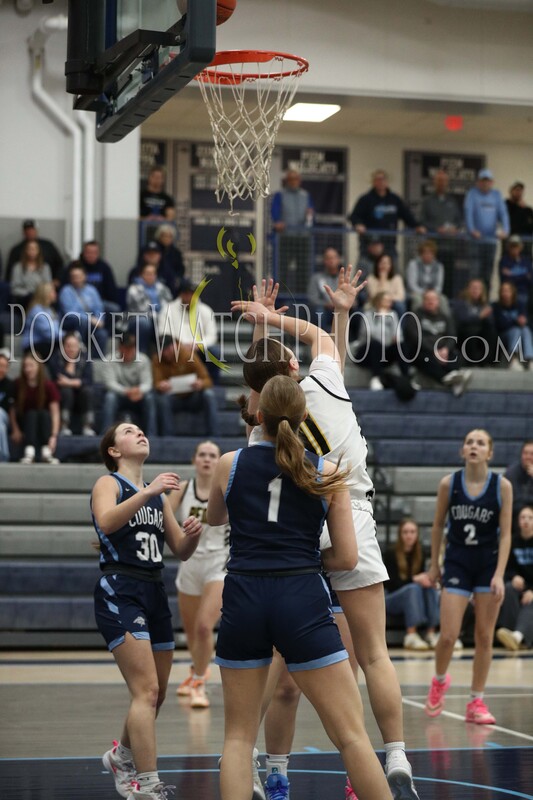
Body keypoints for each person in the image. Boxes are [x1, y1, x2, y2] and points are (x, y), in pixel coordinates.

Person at [231, 275, 420, 800]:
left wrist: (260, 330)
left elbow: (261, 381)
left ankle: (262, 762)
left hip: (297, 529)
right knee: (373, 653)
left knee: (279, 665)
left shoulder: (260, 428)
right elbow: (320, 339)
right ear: (295, 366)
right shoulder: (325, 383)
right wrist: (275, 318)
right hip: (350, 512)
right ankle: (396, 754)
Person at [207, 374, 393, 800]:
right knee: (351, 736)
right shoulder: (328, 471)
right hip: (301, 595)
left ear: (259, 416)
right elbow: (346, 558)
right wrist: (301, 558)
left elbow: (215, 519)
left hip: (244, 595)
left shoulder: (229, 463)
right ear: (304, 416)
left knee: (238, 739)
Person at [93, 422, 202, 800]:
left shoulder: (156, 496)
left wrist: (193, 534)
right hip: (121, 587)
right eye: (129, 431)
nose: (139, 433)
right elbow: (107, 522)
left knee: (157, 693)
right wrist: (150, 491)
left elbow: (180, 550)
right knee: (146, 690)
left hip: (155, 590)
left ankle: (121, 756)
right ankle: (149, 783)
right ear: (114, 450)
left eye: (141, 430)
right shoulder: (109, 483)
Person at [424, 429, 512, 724]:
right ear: (463, 450)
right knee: (449, 635)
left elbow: (506, 535)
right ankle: (439, 680)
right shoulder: (449, 484)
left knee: (484, 636)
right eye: (469, 442)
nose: (474, 446)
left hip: (488, 565)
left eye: (481, 443)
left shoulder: (502, 486)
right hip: (457, 562)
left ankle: (476, 701)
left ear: (490, 452)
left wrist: (499, 574)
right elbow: (438, 526)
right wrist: (434, 565)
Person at [169, 441, 229, 709]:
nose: (207, 459)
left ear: (219, 461)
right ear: (194, 460)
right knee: (193, 631)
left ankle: (199, 683)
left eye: (212, 455)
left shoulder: (226, 487)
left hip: (219, 562)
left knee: (205, 626)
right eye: (202, 454)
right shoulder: (183, 489)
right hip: (190, 562)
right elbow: (162, 516)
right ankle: (196, 672)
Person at [383, 518, 440, 651]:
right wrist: (415, 579)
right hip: (391, 598)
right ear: (400, 534)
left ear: (417, 534)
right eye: (405, 532)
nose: (409, 535)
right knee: (413, 588)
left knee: (429, 588)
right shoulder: (391, 553)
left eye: (412, 532)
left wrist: (428, 581)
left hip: (413, 594)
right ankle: (411, 634)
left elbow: (421, 581)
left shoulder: (420, 553)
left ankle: (431, 633)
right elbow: (390, 585)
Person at [403, 289, 472, 395]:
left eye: (433, 299)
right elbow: (415, 337)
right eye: (428, 299)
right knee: (424, 359)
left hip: (443, 351)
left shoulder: (445, 317)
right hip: (423, 351)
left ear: (438, 301)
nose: (431, 302)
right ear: (423, 301)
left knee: (457, 356)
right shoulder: (414, 316)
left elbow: (452, 336)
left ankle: (453, 378)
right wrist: (433, 351)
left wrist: (446, 349)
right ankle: (450, 381)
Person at [347, 169, 425, 258]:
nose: (380, 182)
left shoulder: (394, 199)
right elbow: (354, 216)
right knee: (365, 265)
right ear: (373, 182)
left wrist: (417, 226)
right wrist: (358, 224)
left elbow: (406, 215)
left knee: (393, 265)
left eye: (382, 179)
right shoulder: (365, 199)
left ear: (387, 182)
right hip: (369, 244)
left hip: (389, 244)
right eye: (377, 179)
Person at [152, 336, 219, 437]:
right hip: (173, 398)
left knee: (208, 395)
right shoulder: (157, 359)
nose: (166, 353)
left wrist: (200, 383)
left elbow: (208, 380)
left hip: (192, 397)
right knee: (162, 400)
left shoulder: (188, 355)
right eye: (163, 350)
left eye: (168, 349)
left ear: (175, 345)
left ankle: (214, 435)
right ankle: (168, 436)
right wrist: (161, 386)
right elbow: (156, 383)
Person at [158, 279, 220, 384]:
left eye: (192, 294)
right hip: (175, 350)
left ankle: (212, 385)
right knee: (162, 352)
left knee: (215, 352)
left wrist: (198, 345)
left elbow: (212, 336)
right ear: (181, 294)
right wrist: (180, 345)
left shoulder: (206, 310)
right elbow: (163, 333)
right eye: (186, 293)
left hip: (199, 350)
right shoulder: (167, 309)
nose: (189, 297)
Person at [100, 334, 157, 437]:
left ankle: (151, 436)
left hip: (138, 396)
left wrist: (139, 390)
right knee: (110, 397)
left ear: (135, 348)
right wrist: (126, 391)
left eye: (131, 348)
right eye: (126, 349)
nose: (128, 352)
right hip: (119, 395)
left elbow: (148, 383)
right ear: (120, 348)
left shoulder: (143, 359)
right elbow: (109, 383)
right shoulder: (109, 359)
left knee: (149, 398)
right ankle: (106, 435)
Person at [10, 351, 60, 464]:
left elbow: (55, 413)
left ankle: (46, 451)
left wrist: (54, 436)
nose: (28, 369)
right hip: (25, 422)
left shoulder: (48, 385)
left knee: (43, 413)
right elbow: (12, 410)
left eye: (31, 366)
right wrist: (15, 429)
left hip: (44, 422)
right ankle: (29, 451)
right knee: (32, 413)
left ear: (39, 367)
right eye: (25, 366)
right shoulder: (18, 384)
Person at [354, 291, 411, 392]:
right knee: (376, 344)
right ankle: (376, 378)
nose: (389, 303)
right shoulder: (368, 314)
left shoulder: (393, 314)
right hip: (366, 353)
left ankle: (407, 378)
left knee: (401, 345)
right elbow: (370, 333)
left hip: (384, 353)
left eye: (390, 301)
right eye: (385, 300)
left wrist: (394, 338)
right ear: (378, 301)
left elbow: (398, 335)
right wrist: (382, 318)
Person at [464, 169, 510, 291]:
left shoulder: (496, 195)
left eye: (488, 181)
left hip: (491, 242)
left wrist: (505, 230)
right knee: (474, 273)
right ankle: (473, 300)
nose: (485, 183)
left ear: (492, 182)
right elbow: (468, 213)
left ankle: (485, 299)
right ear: (478, 182)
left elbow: (503, 214)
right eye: (483, 180)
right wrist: (472, 230)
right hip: (475, 242)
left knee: (488, 274)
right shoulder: (472, 194)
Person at [496, 505, 533, 652]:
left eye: (530, 518)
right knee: (508, 588)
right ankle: (510, 634)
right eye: (523, 517)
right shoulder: (511, 541)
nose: (526, 521)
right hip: (519, 586)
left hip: (531, 588)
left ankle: (518, 636)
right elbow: (506, 568)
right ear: (518, 521)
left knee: (530, 602)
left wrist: (532, 590)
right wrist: (513, 577)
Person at [420, 170, 462, 297]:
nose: (442, 183)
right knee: (431, 279)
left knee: (448, 279)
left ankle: (445, 302)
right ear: (434, 182)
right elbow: (422, 221)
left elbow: (459, 221)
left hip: (450, 247)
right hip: (433, 248)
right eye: (439, 181)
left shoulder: (453, 201)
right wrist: (436, 229)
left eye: (444, 181)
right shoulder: (427, 201)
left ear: (447, 183)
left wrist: (455, 229)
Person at [271, 169, 314, 292]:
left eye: (296, 179)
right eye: (290, 179)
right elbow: (275, 212)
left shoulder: (305, 195)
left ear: (299, 181)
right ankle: (280, 296)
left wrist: (310, 215)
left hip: (303, 238)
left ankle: (302, 296)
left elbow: (311, 213)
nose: (293, 182)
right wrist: (278, 221)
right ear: (286, 181)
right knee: (282, 268)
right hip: (285, 237)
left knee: (303, 269)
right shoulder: (280, 194)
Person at [50, 332, 96, 437]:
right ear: (63, 347)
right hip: (63, 395)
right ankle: (64, 425)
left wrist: (69, 382)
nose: (71, 349)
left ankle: (87, 426)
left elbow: (88, 380)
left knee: (88, 391)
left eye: (74, 346)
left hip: (81, 395)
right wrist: (71, 362)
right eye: (68, 346)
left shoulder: (86, 358)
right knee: (66, 391)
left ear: (79, 346)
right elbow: (59, 379)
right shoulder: (56, 358)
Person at [58, 263, 108, 356]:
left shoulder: (91, 290)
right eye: (73, 277)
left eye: (78, 276)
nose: (76, 279)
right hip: (71, 322)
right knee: (82, 322)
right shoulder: (66, 291)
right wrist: (89, 318)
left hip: (91, 324)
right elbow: (69, 313)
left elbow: (98, 307)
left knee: (102, 334)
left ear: (84, 276)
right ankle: (81, 353)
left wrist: (100, 320)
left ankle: (96, 360)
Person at [126, 263, 172, 354]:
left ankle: (165, 354)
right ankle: (141, 353)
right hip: (138, 318)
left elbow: (169, 304)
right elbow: (141, 309)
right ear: (142, 275)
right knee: (144, 323)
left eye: (153, 274)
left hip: (159, 317)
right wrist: (158, 316)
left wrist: (162, 316)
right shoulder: (134, 289)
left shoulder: (162, 288)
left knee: (169, 320)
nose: (150, 276)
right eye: (147, 273)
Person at [63, 240, 120, 313]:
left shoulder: (104, 267)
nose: (91, 255)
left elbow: (111, 290)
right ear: (83, 253)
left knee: (115, 309)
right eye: (88, 252)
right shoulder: (75, 266)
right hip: (77, 300)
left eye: (94, 253)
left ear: (98, 253)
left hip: (100, 301)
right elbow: (66, 286)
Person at [452, 278, 497, 367]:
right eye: (473, 288)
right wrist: (479, 317)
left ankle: (486, 362)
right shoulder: (460, 303)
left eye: (478, 288)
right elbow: (463, 319)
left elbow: (491, 322)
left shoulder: (484, 304)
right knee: (471, 332)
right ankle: (472, 363)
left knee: (491, 333)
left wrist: (488, 316)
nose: (475, 291)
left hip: (480, 331)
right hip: (464, 332)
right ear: (467, 289)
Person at [6, 219, 64, 283]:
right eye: (27, 230)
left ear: (37, 230)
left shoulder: (48, 246)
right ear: (23, 232)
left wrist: (58, 279)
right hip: (23, 285)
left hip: (47, 284)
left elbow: (60, 264)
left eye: (32, 230)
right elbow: (10, 273)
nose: (30, 232)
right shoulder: (16, 250)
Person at [492, 282, 533, 371]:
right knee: (516, 330)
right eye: (503, 291)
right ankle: (513, 360)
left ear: (512, 292)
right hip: (503, 336)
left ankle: (530, 360)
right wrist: (516, 321)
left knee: (525, 329)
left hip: (520, 335)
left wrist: (524, 321)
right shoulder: (496, 306)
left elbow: (526, 321)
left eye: (508, 291)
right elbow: (500, 324)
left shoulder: (520, 305)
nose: (505, 293)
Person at [405, 239, 448, 313]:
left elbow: (439, 286)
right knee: (418, 300)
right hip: (417, 293)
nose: (428, 255)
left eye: (430, 253)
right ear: (420, 254)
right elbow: (412, 285)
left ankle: (445, 320)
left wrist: (432, 294)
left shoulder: (439, 266)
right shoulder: (413, 264)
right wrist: (424, 293)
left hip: (433, 293)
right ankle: (416, 319)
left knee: (443, 299)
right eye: (425, 253)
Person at [21, 282, 61, 359]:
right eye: (53, 292)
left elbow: (56, 330)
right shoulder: (36, 311)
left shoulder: (50, 310)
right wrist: (66, 336)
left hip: (46, 343)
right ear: (46, 294)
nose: (56, 294)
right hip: (33, 345)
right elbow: (49, 333)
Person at [306, 247, 343, 330]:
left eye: (334, 257)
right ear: (324, 261)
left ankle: (354, 338)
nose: (331, 260)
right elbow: (312, 299)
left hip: (342, 310)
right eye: (328, 258)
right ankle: (323, 336)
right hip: (326, 311)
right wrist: (327, 304)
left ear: (339, 259)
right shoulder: (316, 278)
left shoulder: (344, 279)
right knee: (319, 311)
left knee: (357, 312)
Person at [10, 240, 53, 308]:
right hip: (23, 299)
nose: (32, 251)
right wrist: (28, 294)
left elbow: (48, 285)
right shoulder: (18, 267)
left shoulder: (45, 267)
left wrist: (38, 294)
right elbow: (14, 288)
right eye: (30, 249)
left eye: (34, 249)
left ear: (39, 251)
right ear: (25, 251)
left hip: (41, 299)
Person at [504, 440, 533, 534]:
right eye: (525, 453)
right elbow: (513, 501)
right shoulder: (511, 473)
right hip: (515, 520)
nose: (528, 457)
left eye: (532, 454)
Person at [498, 235, 533, 308]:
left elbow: (530, 279)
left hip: (524, 290)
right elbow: (505, 279)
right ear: (508, 247)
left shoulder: (526, 261)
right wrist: (524, 276)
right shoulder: (504, 261)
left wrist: (512, 274)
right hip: (510, 292)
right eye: (512, 246)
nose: (514, 249)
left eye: (516, 246)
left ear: (520, 247)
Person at [154, 224, 185, 296]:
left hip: (172, 281)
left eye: (170, 236)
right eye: (165, 236)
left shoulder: (176, 253)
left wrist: (177, 278)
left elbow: (180, 269)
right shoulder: (154, 250)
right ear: (159, 236)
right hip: (156, 279)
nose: (167, 238)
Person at [505, 181, 533, 257]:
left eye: (521, 191)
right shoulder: (505, 205)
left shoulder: (527, 209)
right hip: (511, 241)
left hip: (526, 241)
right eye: (517, 190)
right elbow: (512, 224)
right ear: (511, 191)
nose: (519, 193)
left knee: (527, 261)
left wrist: (523, 208)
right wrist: (518, 207)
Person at [0, 348, 14, 462]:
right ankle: (3, 457)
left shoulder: (10, 385)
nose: (1, 369)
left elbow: (12, 409)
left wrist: (15, 429)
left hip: (5, 418)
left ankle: (3, 457)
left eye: (4, 366)